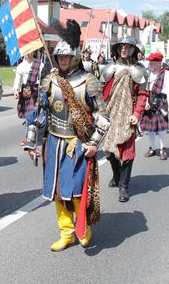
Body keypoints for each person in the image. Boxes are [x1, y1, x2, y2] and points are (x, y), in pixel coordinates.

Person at [23, 19, 110, 251]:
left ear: (75, 57)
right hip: (53, 142)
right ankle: (66, 232)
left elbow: (103, 116)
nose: (62, 61)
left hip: (78, 144)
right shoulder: (50, 81)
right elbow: (40, 114)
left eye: (66, 57)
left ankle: (83, 228)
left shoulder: (89, 82)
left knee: (78, 190)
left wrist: (93, 143)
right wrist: (31, 141)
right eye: (59, 57)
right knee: (58, 192)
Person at [100, 35, 147, 202]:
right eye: (121, 46)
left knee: (127, 151)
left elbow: (142, 95)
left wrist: (137, 114)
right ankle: (117, 174)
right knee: (109, 149)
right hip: (110, 113)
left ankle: (124, 186)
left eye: (127, 47)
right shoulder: (108, 68)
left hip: (128, 115)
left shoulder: (139, 69)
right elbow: (100, 92)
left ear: (133, 49)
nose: (124, 49)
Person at [141, 52, 169, 160]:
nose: (151, 63)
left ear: (159, 62)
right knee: (150, 128)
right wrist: (145, 102)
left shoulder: (167, 74)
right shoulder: (148, 73)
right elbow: (145, 89)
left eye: (153, 62)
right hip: (150, 101)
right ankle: (152, 148)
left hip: (161, 102)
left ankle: (163, 149)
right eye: (150, 62)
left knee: (161, 128)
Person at [13, 50, 43, 124]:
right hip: (26, 92)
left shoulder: (39, 64)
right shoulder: (20, 66)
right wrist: (16, 90)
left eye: (30, 51)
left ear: (33, 52)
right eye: (26, 51)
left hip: (36, 92)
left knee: (34, 113)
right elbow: (17, 80)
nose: (28, 53)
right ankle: (29, 125)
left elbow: (43, 78)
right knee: (28, 114)